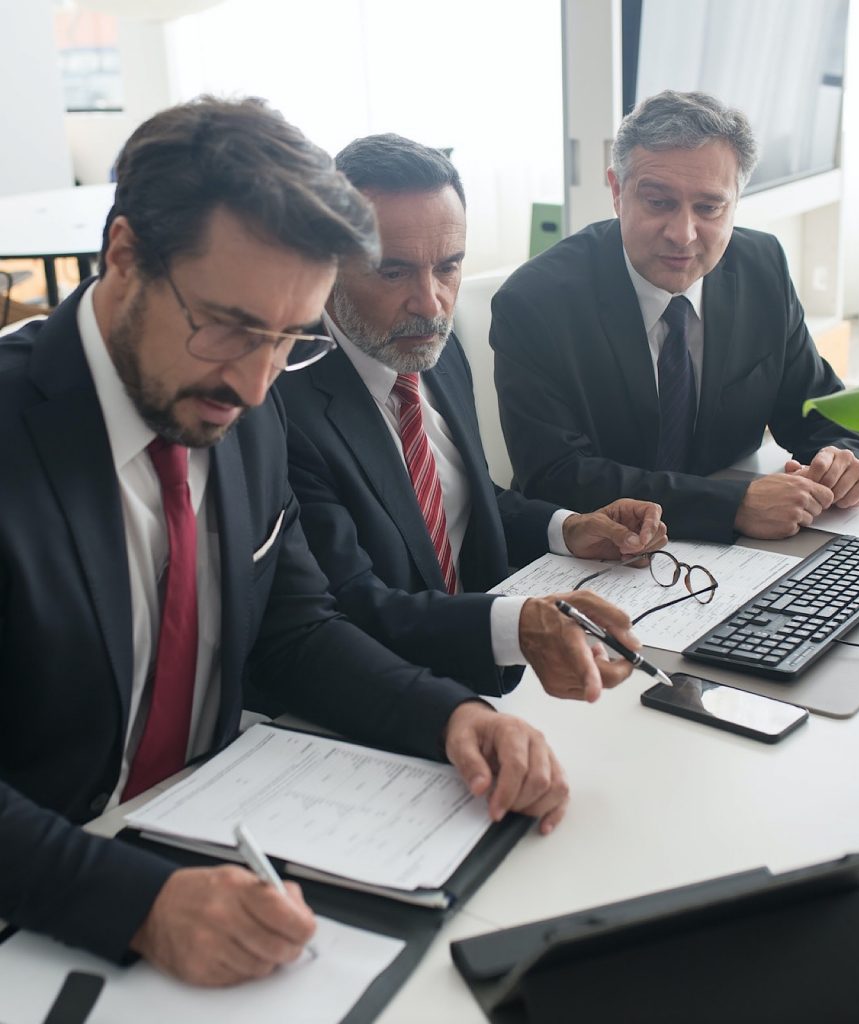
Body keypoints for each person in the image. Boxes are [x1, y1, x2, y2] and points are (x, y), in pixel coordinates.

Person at [0, 97, 569, 988]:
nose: (258, 384)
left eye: (292, 338)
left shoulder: (245, 401)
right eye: (229, 325)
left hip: (218, 842)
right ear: (124, 257)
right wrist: (138, 903)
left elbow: (294, 628)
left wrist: (448, 717)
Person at [277, 133, 667, 703]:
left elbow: (460, 496)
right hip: (390, 697)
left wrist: (568, 528)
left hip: (494, 674)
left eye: (448, 267)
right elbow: (350, 605)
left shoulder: (430, 343)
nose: (431, 301)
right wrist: (519, 627)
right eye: (393, 272)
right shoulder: (283, 400)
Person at [490, 91, 859, 543]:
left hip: (747, 551)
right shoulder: (534, 303)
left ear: (737, 201)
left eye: (709, 207)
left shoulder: (763, 267)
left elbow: (816, 407)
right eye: (659, 202)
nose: (683, 235)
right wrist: (731, 506)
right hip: (600, 554)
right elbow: (557, 475)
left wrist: (848, 462)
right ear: (617, 192)